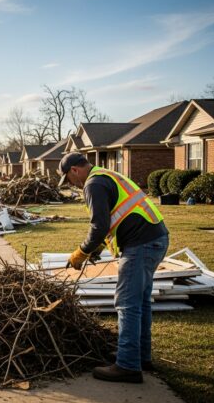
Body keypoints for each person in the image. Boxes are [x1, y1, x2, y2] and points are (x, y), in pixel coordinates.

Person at [58, 152, 169, 384]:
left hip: (141, 244)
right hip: (154, 238)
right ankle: (140, 356)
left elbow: (99, 225)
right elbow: (114, 218)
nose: (71, 184)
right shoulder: (105, 175)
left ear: (75, 170)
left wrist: (81, 253)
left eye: (68, 178)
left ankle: (128, 366)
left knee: (127, 303)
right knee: (140, 301)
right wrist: (97, 248)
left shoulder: (93, 184)